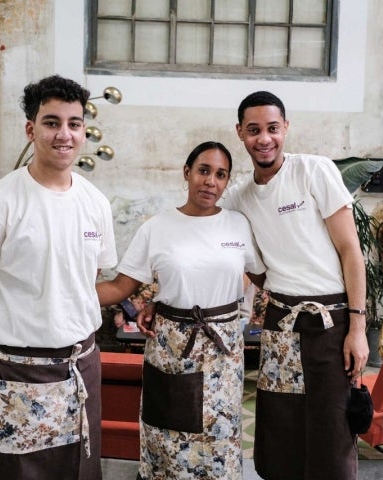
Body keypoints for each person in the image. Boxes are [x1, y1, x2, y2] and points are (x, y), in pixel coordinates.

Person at [0, 75, 117, 480]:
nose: (65, 134)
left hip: (81, 365)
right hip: (19, 372)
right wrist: (15, 324)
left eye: (74, 123)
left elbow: (87, 276)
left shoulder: (95, 202)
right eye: (51, 122)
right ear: (31, 129)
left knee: (78, 470)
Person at [96, 141, 265, 480]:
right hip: (172, 346)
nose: (211, 182)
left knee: (219, 444)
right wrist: (60, 292)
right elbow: (120, 288)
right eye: (203, 171)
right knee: (169, 441)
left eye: (220, 175)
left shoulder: (238, 225)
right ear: (187, 173)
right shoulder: (157, 227)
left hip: (222, 351)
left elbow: (262, 275)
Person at [222, 91, 369, 479]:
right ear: (240, 133)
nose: (264, 138)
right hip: (280, 323)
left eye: (272, 128)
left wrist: (358, 328)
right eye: (253, 130)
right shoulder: (238, 197)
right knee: (280, 426)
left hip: (331, 323)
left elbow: (351, 251)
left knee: (332, 429)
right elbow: (246, 260)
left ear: (285, 128)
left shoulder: (313, 171)